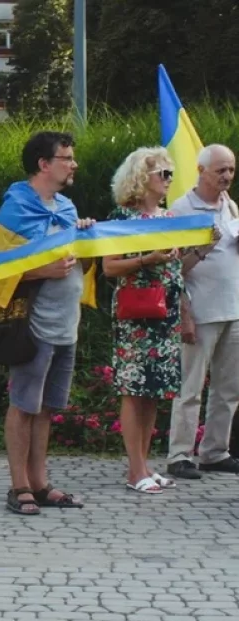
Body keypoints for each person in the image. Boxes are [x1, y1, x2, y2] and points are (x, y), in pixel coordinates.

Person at [0, 131, 94, 515]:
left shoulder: (66, 208)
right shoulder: (16, 207)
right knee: (24, 405)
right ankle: (19, 487)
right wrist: (40, 271)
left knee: (47, 407)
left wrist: (86, 237)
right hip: (31, 325)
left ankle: (40, 482)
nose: (73, 163)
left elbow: (73, 255)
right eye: (66, 157)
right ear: (43, 164)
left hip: (67, 322)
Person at [103, 147, 190, 495]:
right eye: (162, 174)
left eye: (170, 173)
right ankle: (134, 468)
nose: (168, 180)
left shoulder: (169, 219)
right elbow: (109, 267)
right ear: (142, 178)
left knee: (155, 391)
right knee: (133, 388)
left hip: (165, 312)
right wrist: (147, 259)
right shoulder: (121, 218)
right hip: (136, 313)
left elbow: (177, 270)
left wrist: (201, 247)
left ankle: (145, 464)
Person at [165, 144, 239, 479]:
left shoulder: (231, 206)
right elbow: (172, 268)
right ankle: (180, 454)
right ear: (200, 170)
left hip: (233, 308)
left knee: (228, 388)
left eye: (231, 170)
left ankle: (215, 451)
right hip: (199, 309)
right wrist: (184, 313)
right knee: (190, 387)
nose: (227, 176)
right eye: (220, 170)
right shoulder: (182, 209)